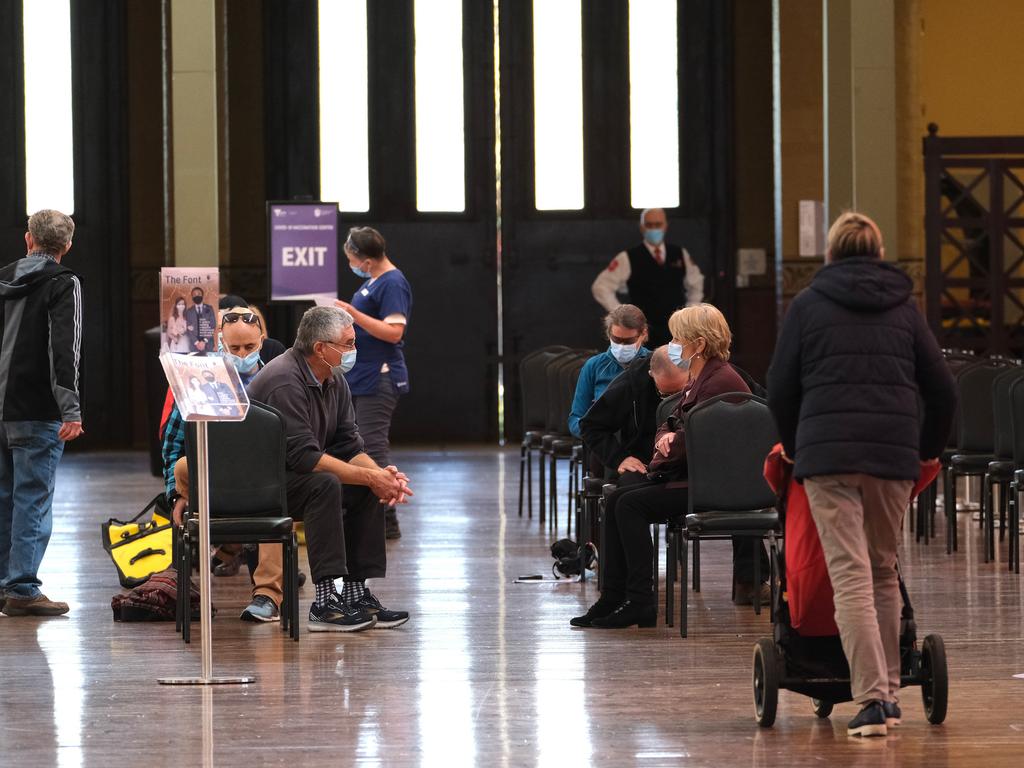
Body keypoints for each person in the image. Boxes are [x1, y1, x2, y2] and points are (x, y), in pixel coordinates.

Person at [766, 212, 956, 737]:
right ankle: (888, 695)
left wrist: (798, 447)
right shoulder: (905, 308)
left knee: (850, 576)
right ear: (877, 252)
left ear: (829, 254)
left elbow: (780, 387)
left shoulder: (807, 306)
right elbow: (942, 390)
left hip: (828, 460)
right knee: (882, 570)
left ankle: (874, 701)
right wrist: (926, 451)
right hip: (893, 459)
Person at [571, 304, 768, 629]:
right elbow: (674, 421)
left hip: (716, 485)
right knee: (620, 498)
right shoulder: (704, 375)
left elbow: (697, 437)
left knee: (630, 504)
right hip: (698, 476)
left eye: (680, 338)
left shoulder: (721, 381)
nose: (674, 344)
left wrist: (671, 443)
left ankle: (639, 602)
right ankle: (614, 596)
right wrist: (670, 438)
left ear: (699, 344)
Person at [246, 306, 413, 631]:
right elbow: (305, 458)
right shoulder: (284, 381)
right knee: (325, 484)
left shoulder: (333, 379)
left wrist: (380, 476)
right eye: (348, 344)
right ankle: (323, 605)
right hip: (261, 484)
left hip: (295, 476)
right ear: (321, 348)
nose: (354, 350)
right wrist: (370, 475)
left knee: (361, 484)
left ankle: (354, 594)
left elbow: (349, 446)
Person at [163, 306, 293, 622]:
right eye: (234, 348)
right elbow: (173, 442)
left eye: (249, 347)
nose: (242, 353)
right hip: (215, 476)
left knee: (276, 504)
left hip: (266, 481)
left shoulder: (279, 378)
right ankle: (227, 545)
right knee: (182, 466)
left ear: (263, 340)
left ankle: (266, 595)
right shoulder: (198, 378)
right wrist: (176, 494)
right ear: (220, 342)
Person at [0, 209, 83, 617]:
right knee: (32, 497)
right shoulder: (63, 283)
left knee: (3, 496)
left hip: (1, 408)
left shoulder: (2, 279)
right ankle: (21, 588)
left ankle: (4, 582)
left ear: (28, 240)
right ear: (66, 246)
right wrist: (71, 409)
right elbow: (64, 350)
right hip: (36, 409)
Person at [333, 226, 413, 540]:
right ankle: (372, 514)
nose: (350, 264)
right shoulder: (374, 281)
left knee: (374, 447)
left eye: (351, 259)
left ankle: (386, 518)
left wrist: (352, 313)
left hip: (380, 376)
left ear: (365, 260)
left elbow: (394, 331)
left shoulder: (393, 282)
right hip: (362, 375)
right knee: (362, 444)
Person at [591, 208, 704, 346]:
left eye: (658, 224)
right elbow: (601, 287)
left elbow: (696, 283)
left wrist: (689, 313)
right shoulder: (628, 257)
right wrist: (623, 315)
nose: (654, 229)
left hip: (676, 329)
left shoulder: (680, 254)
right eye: (649, 225)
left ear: (665, 225)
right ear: (642, 227)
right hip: (643, 331)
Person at [580, 345, 690, 481]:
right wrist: (619, 458)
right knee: (625, 493)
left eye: (678, 393)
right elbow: (591, 425)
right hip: (645, 462)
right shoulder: (632, 382)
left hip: (688, 462)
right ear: (651, 374)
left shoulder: (702, 376)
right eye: (665, 394)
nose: (672, 400)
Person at [568, 305, 650, 443]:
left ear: (643, 334)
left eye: (629, 341)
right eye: (616, 340)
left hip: (643, 445)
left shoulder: (654, 363)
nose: (622, 347)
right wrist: (597, 435)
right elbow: (576, 418)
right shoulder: (593, 366)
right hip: (603, 448)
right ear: (608, 334)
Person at [184, 286, 216, 353]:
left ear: (202, 295)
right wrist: (197, 342)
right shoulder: (189, 311)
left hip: (208, 344)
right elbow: (188, 329)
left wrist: (204, 341)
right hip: (194, 346)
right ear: (192, 297)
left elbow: (212, 326)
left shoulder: (209, 309)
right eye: (194, 295)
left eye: (199, 294)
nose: (197, 296)